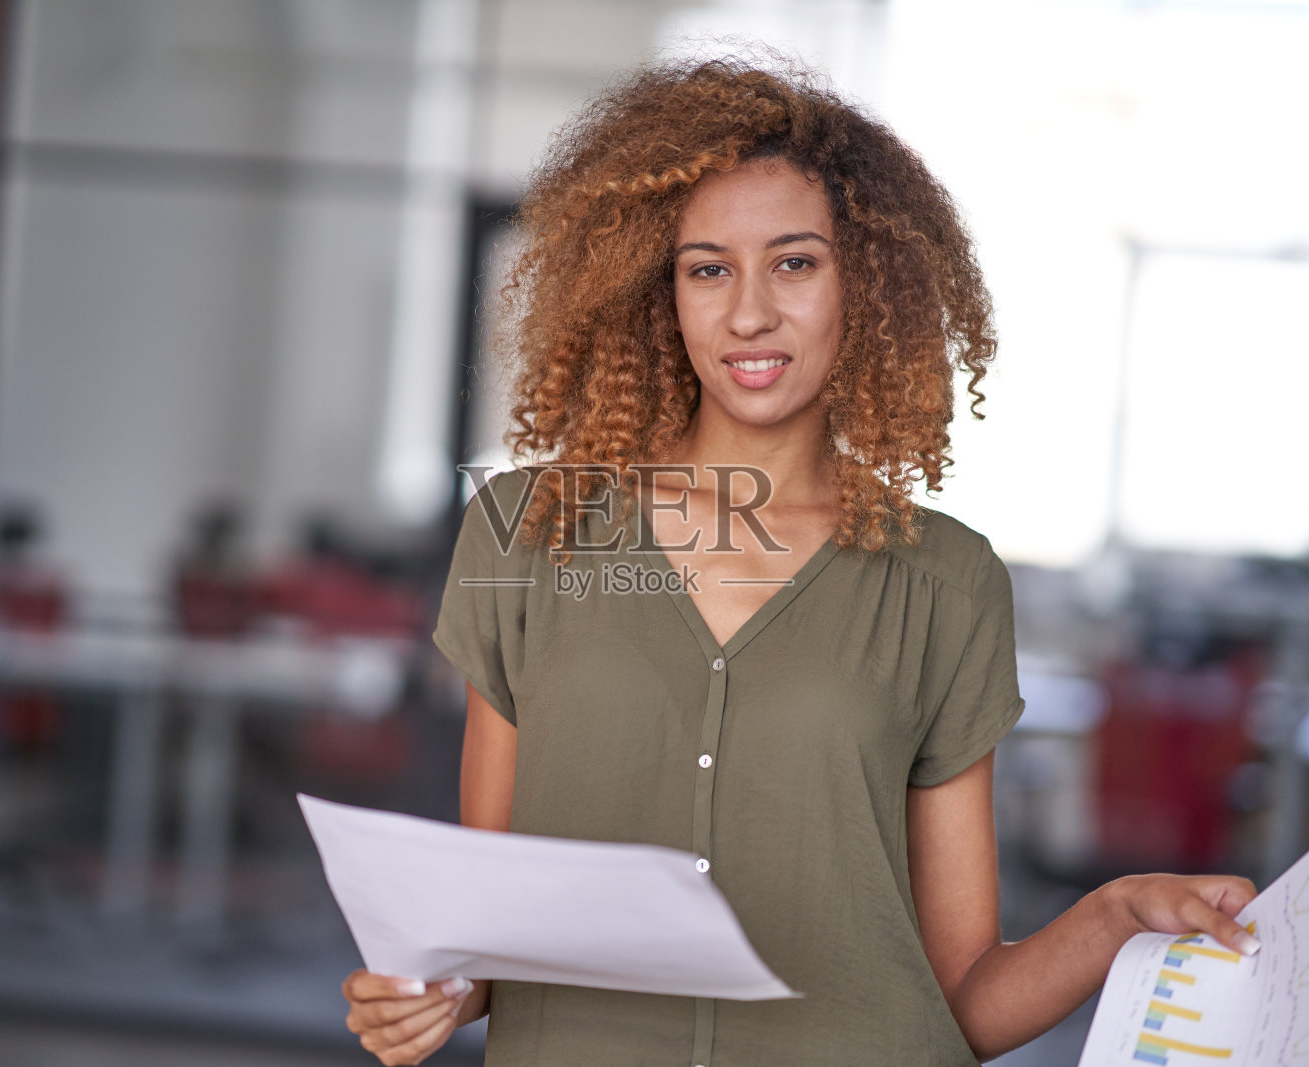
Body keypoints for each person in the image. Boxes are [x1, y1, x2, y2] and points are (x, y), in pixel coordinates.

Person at [340, 54, 1260, 1065]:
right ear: (656, 289)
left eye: (794, 263)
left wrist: (1115, 912)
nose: (748, 314)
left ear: (866, 282)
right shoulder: (531, 530)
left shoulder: (945, 583)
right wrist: (433, 990)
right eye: (707, 269)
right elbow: (490, 926)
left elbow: (963, 997)